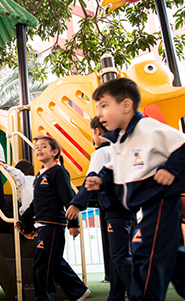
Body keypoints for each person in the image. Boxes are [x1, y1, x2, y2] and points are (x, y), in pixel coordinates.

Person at [85, 77, 185, 301]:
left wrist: (170, 168)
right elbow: (112, 168)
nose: (99, 113)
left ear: (126, 105)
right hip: (148, 206)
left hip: (162, 201)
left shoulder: (148, 128)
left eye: (104, 106)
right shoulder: (121, 140)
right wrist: (100, 180)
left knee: (143, 249)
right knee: (178, 261)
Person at [67, 116, 136, 301]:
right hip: (128, 209)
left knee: (120, 256)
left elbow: (91, 179)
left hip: (115, 210)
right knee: (118, 255)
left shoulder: (102, 152)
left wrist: (77, 203)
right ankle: (115, 296)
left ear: (97, 131)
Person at [17, 135, 90, 301]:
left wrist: (73, 223)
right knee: (54, 261)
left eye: (43, 146)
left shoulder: (58, 172)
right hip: (42, 224)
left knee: (42, 264)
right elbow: (36, 203)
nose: (39, 149)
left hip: (53, 224)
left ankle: (43, 298)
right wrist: (23, 220)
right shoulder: (39, 176)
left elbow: (68, 198)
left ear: (55, 152)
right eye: (37, 147)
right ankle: (78, 291)